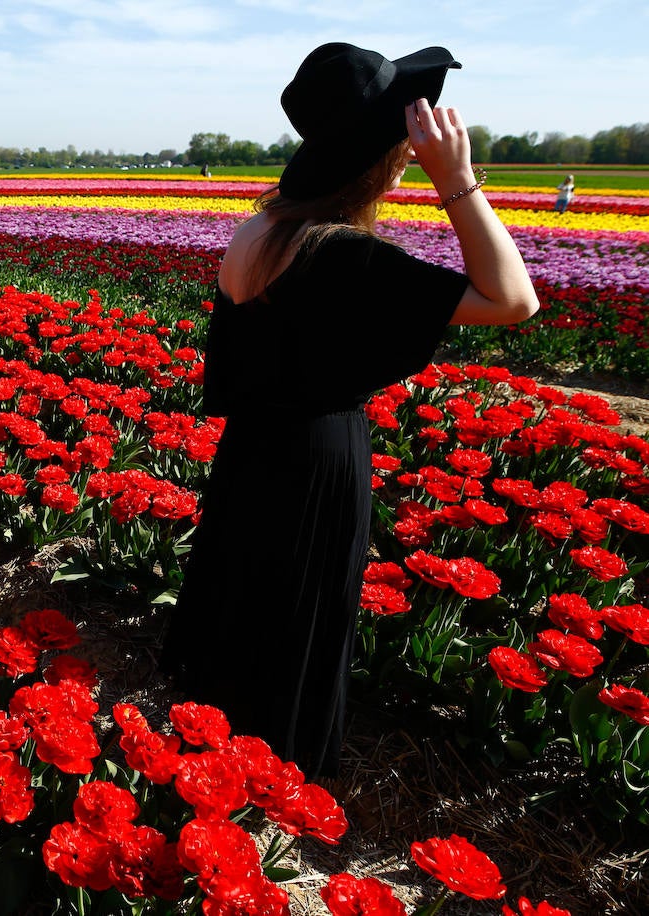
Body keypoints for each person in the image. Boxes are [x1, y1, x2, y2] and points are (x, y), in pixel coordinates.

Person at [157, 42, 539, 779]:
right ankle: (271, 776)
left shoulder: (261, 231)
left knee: (245, 602)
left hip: (254, 453)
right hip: (317, 460)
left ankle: (211, 760)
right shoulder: (346, 258)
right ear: (386, 160)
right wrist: (458, 184)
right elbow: (514, 300)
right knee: (299, 615)